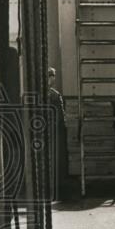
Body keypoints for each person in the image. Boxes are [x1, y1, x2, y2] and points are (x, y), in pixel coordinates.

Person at [47, 66, 68, 201]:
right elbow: (61, 116)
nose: (53, 78)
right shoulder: (54, 95)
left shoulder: (52, 94)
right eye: (51, 75)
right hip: (53, 131)